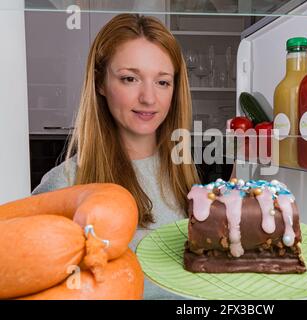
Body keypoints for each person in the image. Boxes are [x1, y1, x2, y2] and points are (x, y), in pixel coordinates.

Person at [32, 13, 200, 299]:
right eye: (129, 78)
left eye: (162, 82)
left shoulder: (182, 175)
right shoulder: (66, 184)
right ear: (100, 83)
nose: (148, 98)